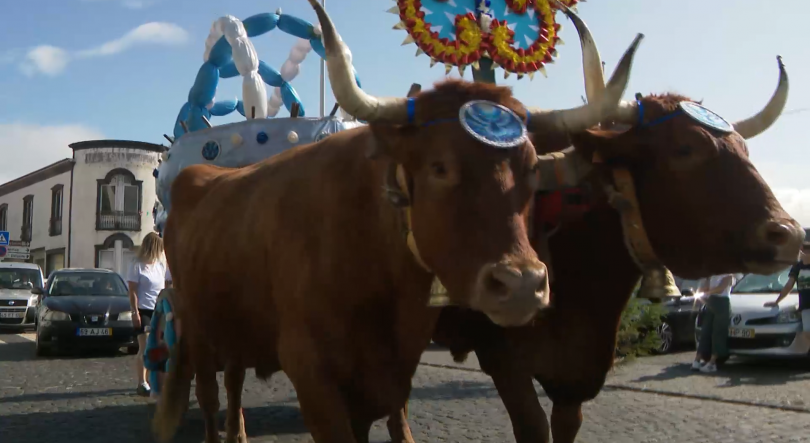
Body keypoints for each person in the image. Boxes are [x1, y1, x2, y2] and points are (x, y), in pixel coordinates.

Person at [127, 232, 171, 397]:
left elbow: (164, 287)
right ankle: (142, 382)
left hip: (158, 310)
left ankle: (155, 380)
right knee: (145, 347)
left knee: (160, 346)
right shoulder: (137, 265)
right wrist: (134, 312)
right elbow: (132, 291)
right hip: (143, 310)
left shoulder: (159, 266)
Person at [692, 273, 736, 373]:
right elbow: (711, 287)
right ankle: (700, 360)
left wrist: (707, 291)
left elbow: (721, 288)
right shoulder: (714, 274)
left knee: (716, 332)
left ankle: (709, 362)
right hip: (716, 302)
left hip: (718, 301)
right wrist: (702, 290)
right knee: (708, 331)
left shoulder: (727, 275)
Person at [765, 241, 810, 334]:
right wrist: (777, 301)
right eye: (801, 250)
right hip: (806, 306)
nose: (801, 253)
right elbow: (789, 285)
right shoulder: (797, 267)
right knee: (807, 334)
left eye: (805, 250)